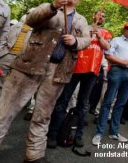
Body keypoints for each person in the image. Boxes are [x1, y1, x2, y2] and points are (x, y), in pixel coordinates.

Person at [0, 0, 90, 163]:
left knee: (43, 116)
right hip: (29, 66)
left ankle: (34, 155)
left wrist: (76, 42)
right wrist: (53, 6)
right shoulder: (49, 7)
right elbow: (31, 20)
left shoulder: (81, 20)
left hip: (57, 73)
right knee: (4, 113)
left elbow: (86, 40)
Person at [47, 10, 112, 148]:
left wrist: (99, 37)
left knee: (83, 104)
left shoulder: (106, 33)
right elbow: (73, 41)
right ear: (93, 15)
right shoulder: (83, 27)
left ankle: (78, 135)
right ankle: (53, 134)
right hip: (75, 67)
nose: (100, 17)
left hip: (92, 71)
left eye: (103, 16)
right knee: (63, 100)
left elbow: (107, 47)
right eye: (98, 15)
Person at [92, 22, 128, 145]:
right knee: (108, 102)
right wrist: (121, 62)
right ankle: (99, 133)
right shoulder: (116, 40)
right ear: (124, 29)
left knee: (121, 104)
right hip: (116, 71)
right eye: (127, 28)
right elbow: (108, 55)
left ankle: (114, 132)